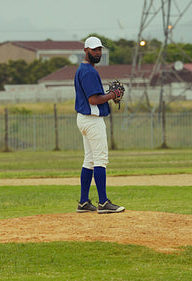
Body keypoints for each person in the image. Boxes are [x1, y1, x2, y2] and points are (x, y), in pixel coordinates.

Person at [74, 36, 125, 214]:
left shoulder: (84, 69)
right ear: (86, 50)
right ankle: (103, 203)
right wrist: (112, 94)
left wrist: (109, 94)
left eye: (100, 49)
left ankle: (83, 202)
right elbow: (93, 99)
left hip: (84, 118)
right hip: (92, 119)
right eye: (94, 49)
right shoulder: (88, 71)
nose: (98, 53)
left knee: (89, 160)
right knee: (100, 160)